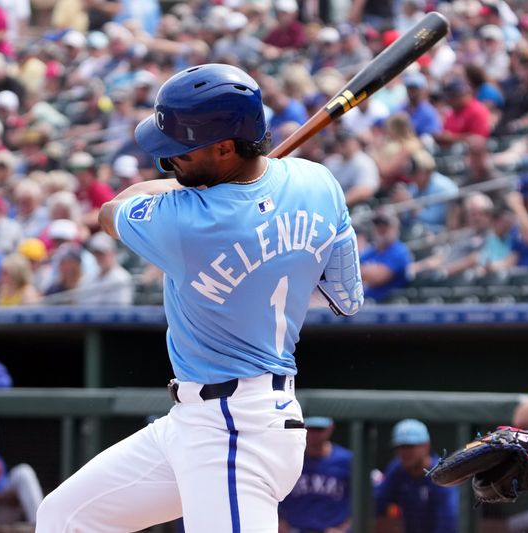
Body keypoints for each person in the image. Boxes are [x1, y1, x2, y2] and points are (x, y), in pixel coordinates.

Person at [36, 63, 364, 532]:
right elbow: (346, 299)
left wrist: (200, 194)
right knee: (67, 518)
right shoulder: (319, 183)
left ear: (226, 147)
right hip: (197, 421)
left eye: (180, 154)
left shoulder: (187, 222)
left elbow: (111, 211)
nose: (168, 163)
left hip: (236, 431)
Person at [375, 419, 458, 533]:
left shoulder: (441, 474)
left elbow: (449, 523)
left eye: (410, 446)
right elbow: (377, 502)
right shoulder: (397, 469)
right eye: (401, 447)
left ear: (426, 446)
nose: (405, 452)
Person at [278, 417, 353, 533]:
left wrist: (343, 529)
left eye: (319, 429)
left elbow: (366, 502)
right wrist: (278, 521)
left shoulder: (347, 460)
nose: (314, 434)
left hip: (330, 529)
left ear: (330, 429)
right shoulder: (288, 458)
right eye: (310, 429)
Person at [359, 210, 412, 303]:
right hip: (365, 303)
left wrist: (359, 271)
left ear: (396, 228)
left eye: (385, 225)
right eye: (377, 225)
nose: (381, 229)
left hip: (388, 306)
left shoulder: (400, 251)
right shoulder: (371, 251)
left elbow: (377, 277)